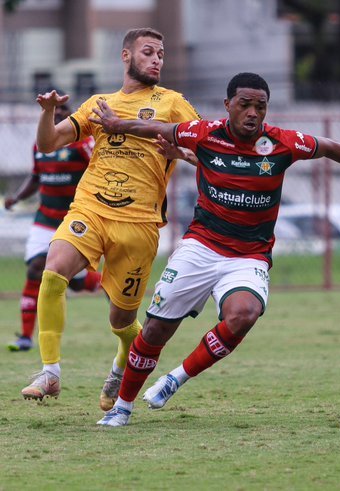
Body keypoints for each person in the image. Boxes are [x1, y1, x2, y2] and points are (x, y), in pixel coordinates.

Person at [89, 72, 340, 426]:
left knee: (244, 315)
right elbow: (158, 129)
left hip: (248, 256)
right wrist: (116, 123)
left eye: (260, 106)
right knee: (156, 331)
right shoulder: (204, 133)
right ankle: (123, 407)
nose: (253, 113)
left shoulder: (283, 143)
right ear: (228, 106)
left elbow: (331, 147)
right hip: (200, 248)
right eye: (245, 105)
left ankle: (175, 379)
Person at [20, 27, 201, 413]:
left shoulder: (172, 103)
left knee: (122, 321)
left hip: (139, 225)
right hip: (91, 209)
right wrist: (49, 112)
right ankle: (49, 372)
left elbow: (207, 150)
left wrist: (181, 153)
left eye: (161, 54)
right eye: (149, 52)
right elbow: (49, 143)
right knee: (52, 272)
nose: (157, 59)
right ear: (126, 56)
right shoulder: (99, 103)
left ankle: (122, 364)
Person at [5, 102, 101, 352]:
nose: (57, 113)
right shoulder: (40, 144)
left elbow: (100, 171)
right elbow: (36, 177)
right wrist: (16, 197)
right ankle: (25, 336)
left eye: (62, 110)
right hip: (45, 219)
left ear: (70, 116)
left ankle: (105, 283)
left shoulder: (82, 145)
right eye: (53, 110)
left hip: (74, 220)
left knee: (76, 282)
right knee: (35, 269)